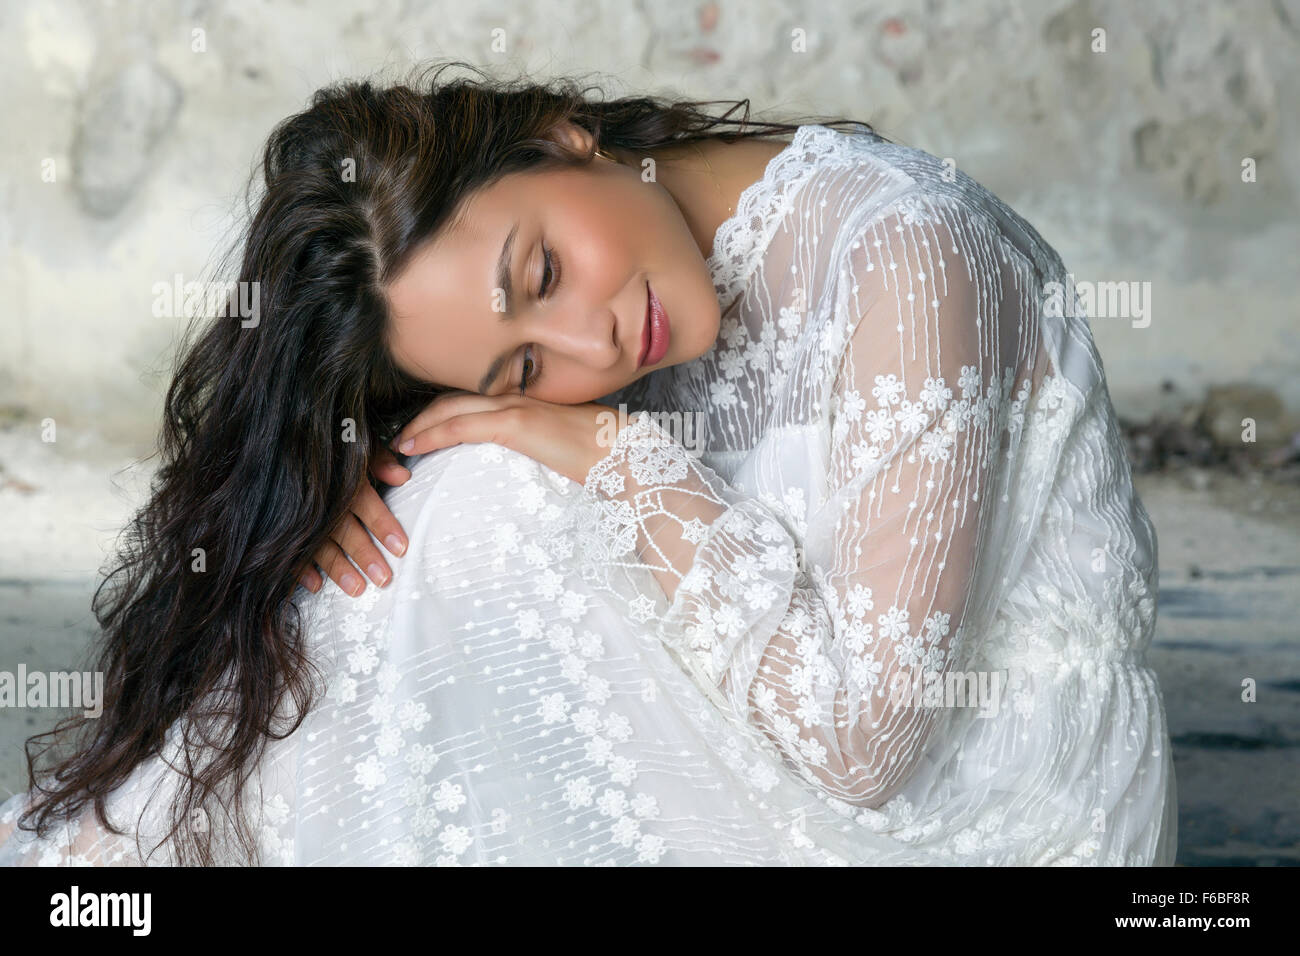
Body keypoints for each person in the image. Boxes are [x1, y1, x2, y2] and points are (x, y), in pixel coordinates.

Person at [0, 61, 1176, 865]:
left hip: (994, 810)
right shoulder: (645, 255)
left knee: (520, 484)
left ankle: (123, 866)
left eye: (543, 272)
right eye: (515, 364)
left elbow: (867, 743)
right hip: (819, 747)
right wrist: (359, 473)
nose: (590, 343)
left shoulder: (907, 254)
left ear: (564, 135)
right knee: (459, 477)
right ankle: (132, 862)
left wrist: (612, 451)